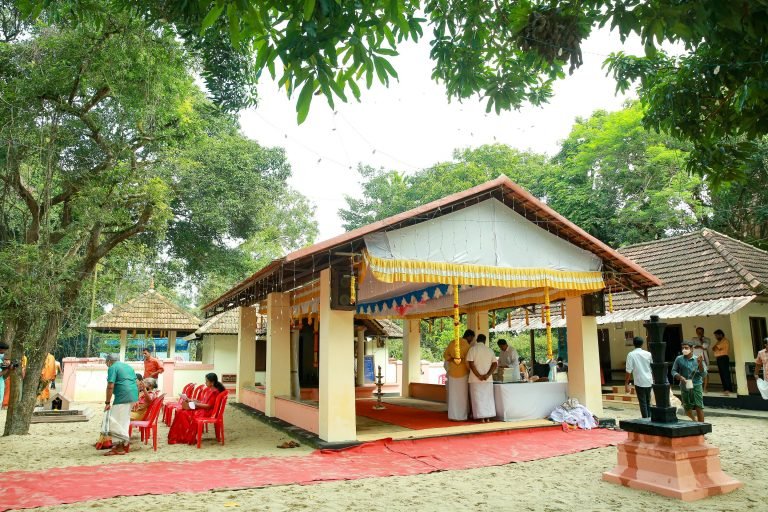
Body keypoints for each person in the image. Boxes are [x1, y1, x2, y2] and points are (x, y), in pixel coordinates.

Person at [168, 372, 226, 445]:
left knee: (183, 413)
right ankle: (182, 436)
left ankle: (185, 437)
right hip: (203, 409)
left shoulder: (214, 392)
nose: (205, 382)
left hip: (207, 412)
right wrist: (194, 401)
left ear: (212, 382)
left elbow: (208, 406)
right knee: (181, 411)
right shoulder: (210, 390)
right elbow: (204, 402)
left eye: (207, 381)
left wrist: (195, 404)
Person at [103, 354, 139, 456]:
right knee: (124, 421)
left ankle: (119, 447)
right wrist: (136, 398)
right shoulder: (128, 367)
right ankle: (121, 445)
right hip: (132, 395)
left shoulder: (112, 367)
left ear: (109, 361)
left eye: (106, 362)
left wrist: (107, 402)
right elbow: (137, 383)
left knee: (114, 421)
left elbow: (110, 386)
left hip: (123, 396)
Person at [671, 341, 707, 422]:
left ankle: (701, 426)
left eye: (686, 348)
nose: (684, 350)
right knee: (687, 407)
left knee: (699, 406)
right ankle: (694, 419)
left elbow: (704, 374)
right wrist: (679, 377)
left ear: (691, 349)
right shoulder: (679, 359)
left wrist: (700, 364)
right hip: (684, 386)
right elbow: (673, 371)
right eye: (683, 348)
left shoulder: (697, 359)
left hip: (696, 385)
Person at [442, 329, 473, 421]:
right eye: (472, 338)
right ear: (469, 336)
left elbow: (445, 355)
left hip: (452, 372)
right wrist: (471, 371)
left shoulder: (452, 343)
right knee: (462, 395)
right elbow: (468, 361)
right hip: (463, 373)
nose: (471, 340)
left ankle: (453, 415)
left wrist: (452, 359)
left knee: (453, 395)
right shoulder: (467, 346)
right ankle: (461, 416)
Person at [466, 334, 497, 423]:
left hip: (475, 379)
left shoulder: (472, 349)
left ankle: (481, 418)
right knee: (488, 398)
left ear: (477, 340)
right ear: (485, 341)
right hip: (488, 379)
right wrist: (487, 375)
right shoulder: (490, 350)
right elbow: (495, 364)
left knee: (478, 398)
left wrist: (478, 375)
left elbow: (471, 364)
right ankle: (488, 417)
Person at [625, 336, 653, 418]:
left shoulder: (631, 354)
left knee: (642, 402)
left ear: (633, 344)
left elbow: (628, 371)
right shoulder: (648, 354)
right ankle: (649, 418)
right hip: (649, 380)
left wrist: (626, 383)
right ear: (642, 344)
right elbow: (652, 367)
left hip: (639, 381)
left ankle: (645, 419)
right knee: (648, 401)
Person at [711, 329, 733, 395]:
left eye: (716, 335)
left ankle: (729, 389)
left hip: (723, 358)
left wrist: (715, 348)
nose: (716, 337)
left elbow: (715, 348)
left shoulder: (725, 341)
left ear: (720, 335)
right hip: (719, 358)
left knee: (725, 374)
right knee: (721, 374)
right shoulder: (718, 342)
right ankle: (725, 389)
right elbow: (713, 348)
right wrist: (715, 347)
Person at [693, 327, 711, 391]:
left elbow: (704, 346)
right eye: (698, 331)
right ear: (696, 332)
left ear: (703, 332)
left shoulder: (707, 339)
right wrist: (701, 346)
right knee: (694, 373)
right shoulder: (693, 339)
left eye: (700, 331)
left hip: (703, 359)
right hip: (695, 358)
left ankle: (705, 388)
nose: (699, 333)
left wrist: (701, 341)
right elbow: (693, 346)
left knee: (705, 373)